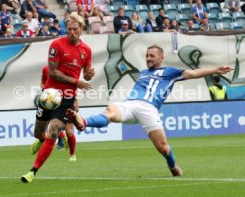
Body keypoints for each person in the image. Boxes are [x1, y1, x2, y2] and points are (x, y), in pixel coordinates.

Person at [66, 45, 232, 177]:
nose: (148, 58)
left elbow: (194, 73)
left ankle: (173, 166)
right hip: (130, 104)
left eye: (152, 56)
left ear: (161, 57)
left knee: (163, 148)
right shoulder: (144, 72)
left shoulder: (169, 72)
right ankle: (83, 122)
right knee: (110, 110)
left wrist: (215, 70)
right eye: (147, 56)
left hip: (149, 108)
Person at [21, 12, 95, 183]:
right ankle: (40, 140)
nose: (72, 32)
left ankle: (32, 172)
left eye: (75, 29)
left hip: (67, 98)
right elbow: (53, 72)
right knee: (38, 132)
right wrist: (77, 81)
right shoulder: (56, 45)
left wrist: (89, 75)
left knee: (54, 130)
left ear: (81, 30)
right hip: (49, 95)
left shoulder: (86, 50)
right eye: (69, 29)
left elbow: (87, 75)